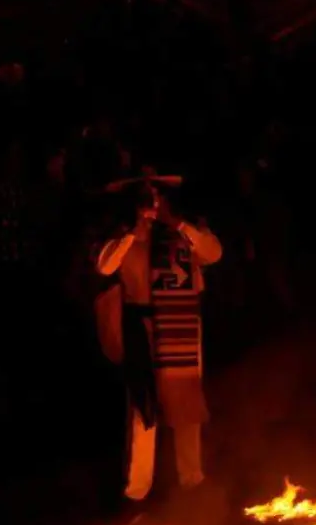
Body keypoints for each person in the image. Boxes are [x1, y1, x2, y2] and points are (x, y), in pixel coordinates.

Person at [94, 172, 222, 502]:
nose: (151, 205)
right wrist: (130, 234)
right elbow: (105, 267)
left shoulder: (183, 232)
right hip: (143, 327)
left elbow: (213, 253)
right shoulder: (124, 236)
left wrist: (178, 225)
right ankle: (138, 489)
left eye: (156, 197)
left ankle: (192, 478)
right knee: (143, 407)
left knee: (185, 400)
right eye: (145, 198)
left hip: (180, 325)